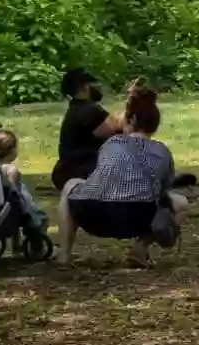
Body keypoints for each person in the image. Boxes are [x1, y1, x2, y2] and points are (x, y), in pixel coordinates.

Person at [57, 81, 188, 265]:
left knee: (70, 185)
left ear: (132, 120)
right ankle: (140, 248)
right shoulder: (162, 152)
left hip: (94, 214)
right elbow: (164, 190)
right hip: (138, 218)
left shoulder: (111, 144)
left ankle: (64, 254)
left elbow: (99, 177)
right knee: (181, 203)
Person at [52, 68, 119, 191]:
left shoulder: (77, 108)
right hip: (82, 173)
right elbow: (118, 130)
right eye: (93, 84)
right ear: (83, 87)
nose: (98, 87)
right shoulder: (89, 110)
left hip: (69, 172)